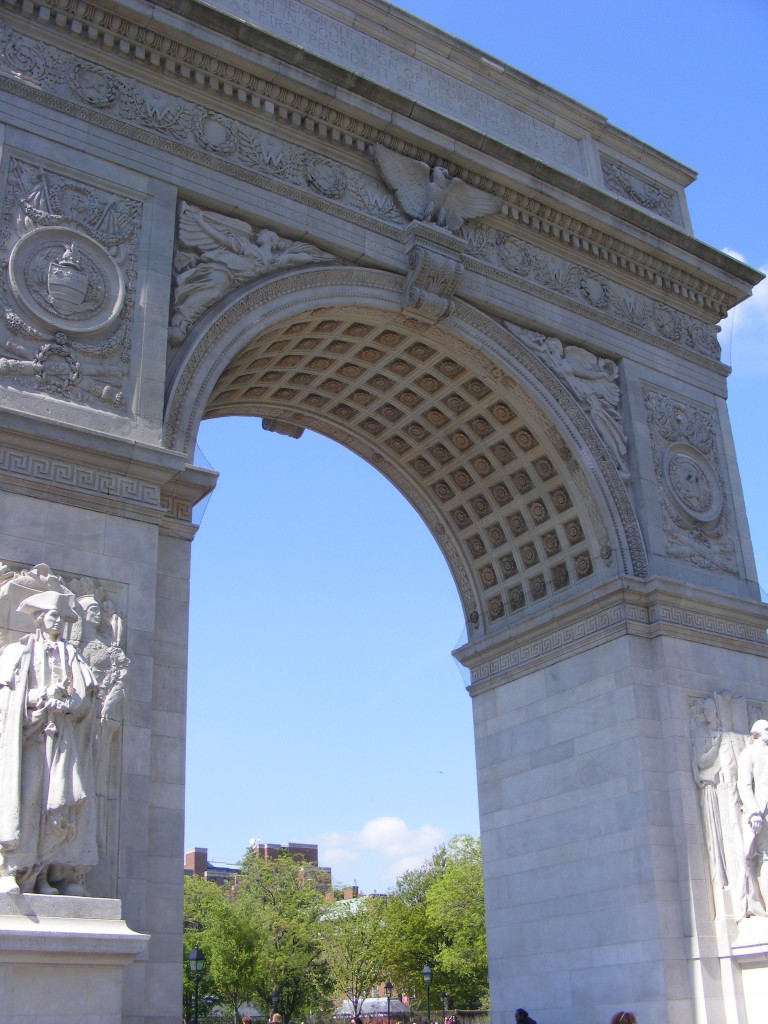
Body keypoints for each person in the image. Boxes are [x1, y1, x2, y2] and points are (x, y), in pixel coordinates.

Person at [0, 590, 99, 895]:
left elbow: (86, 696)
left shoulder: (72, 655)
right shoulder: (19, 652)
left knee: (60, 805)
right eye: (53, 616)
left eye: (61, 617)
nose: (58, 622)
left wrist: (67, 703)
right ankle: (13, 870)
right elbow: (8, 697)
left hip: (62, 741)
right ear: (40, 619)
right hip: (30, 740)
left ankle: (48, 873)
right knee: (28, 801)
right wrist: (40, 698)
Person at [737, 719, 768, 914]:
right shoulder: (749, 753)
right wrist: (754, 811)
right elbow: (744, 785)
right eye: (767, 728)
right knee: (764, 857)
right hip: (761, 813)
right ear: (756, 733)